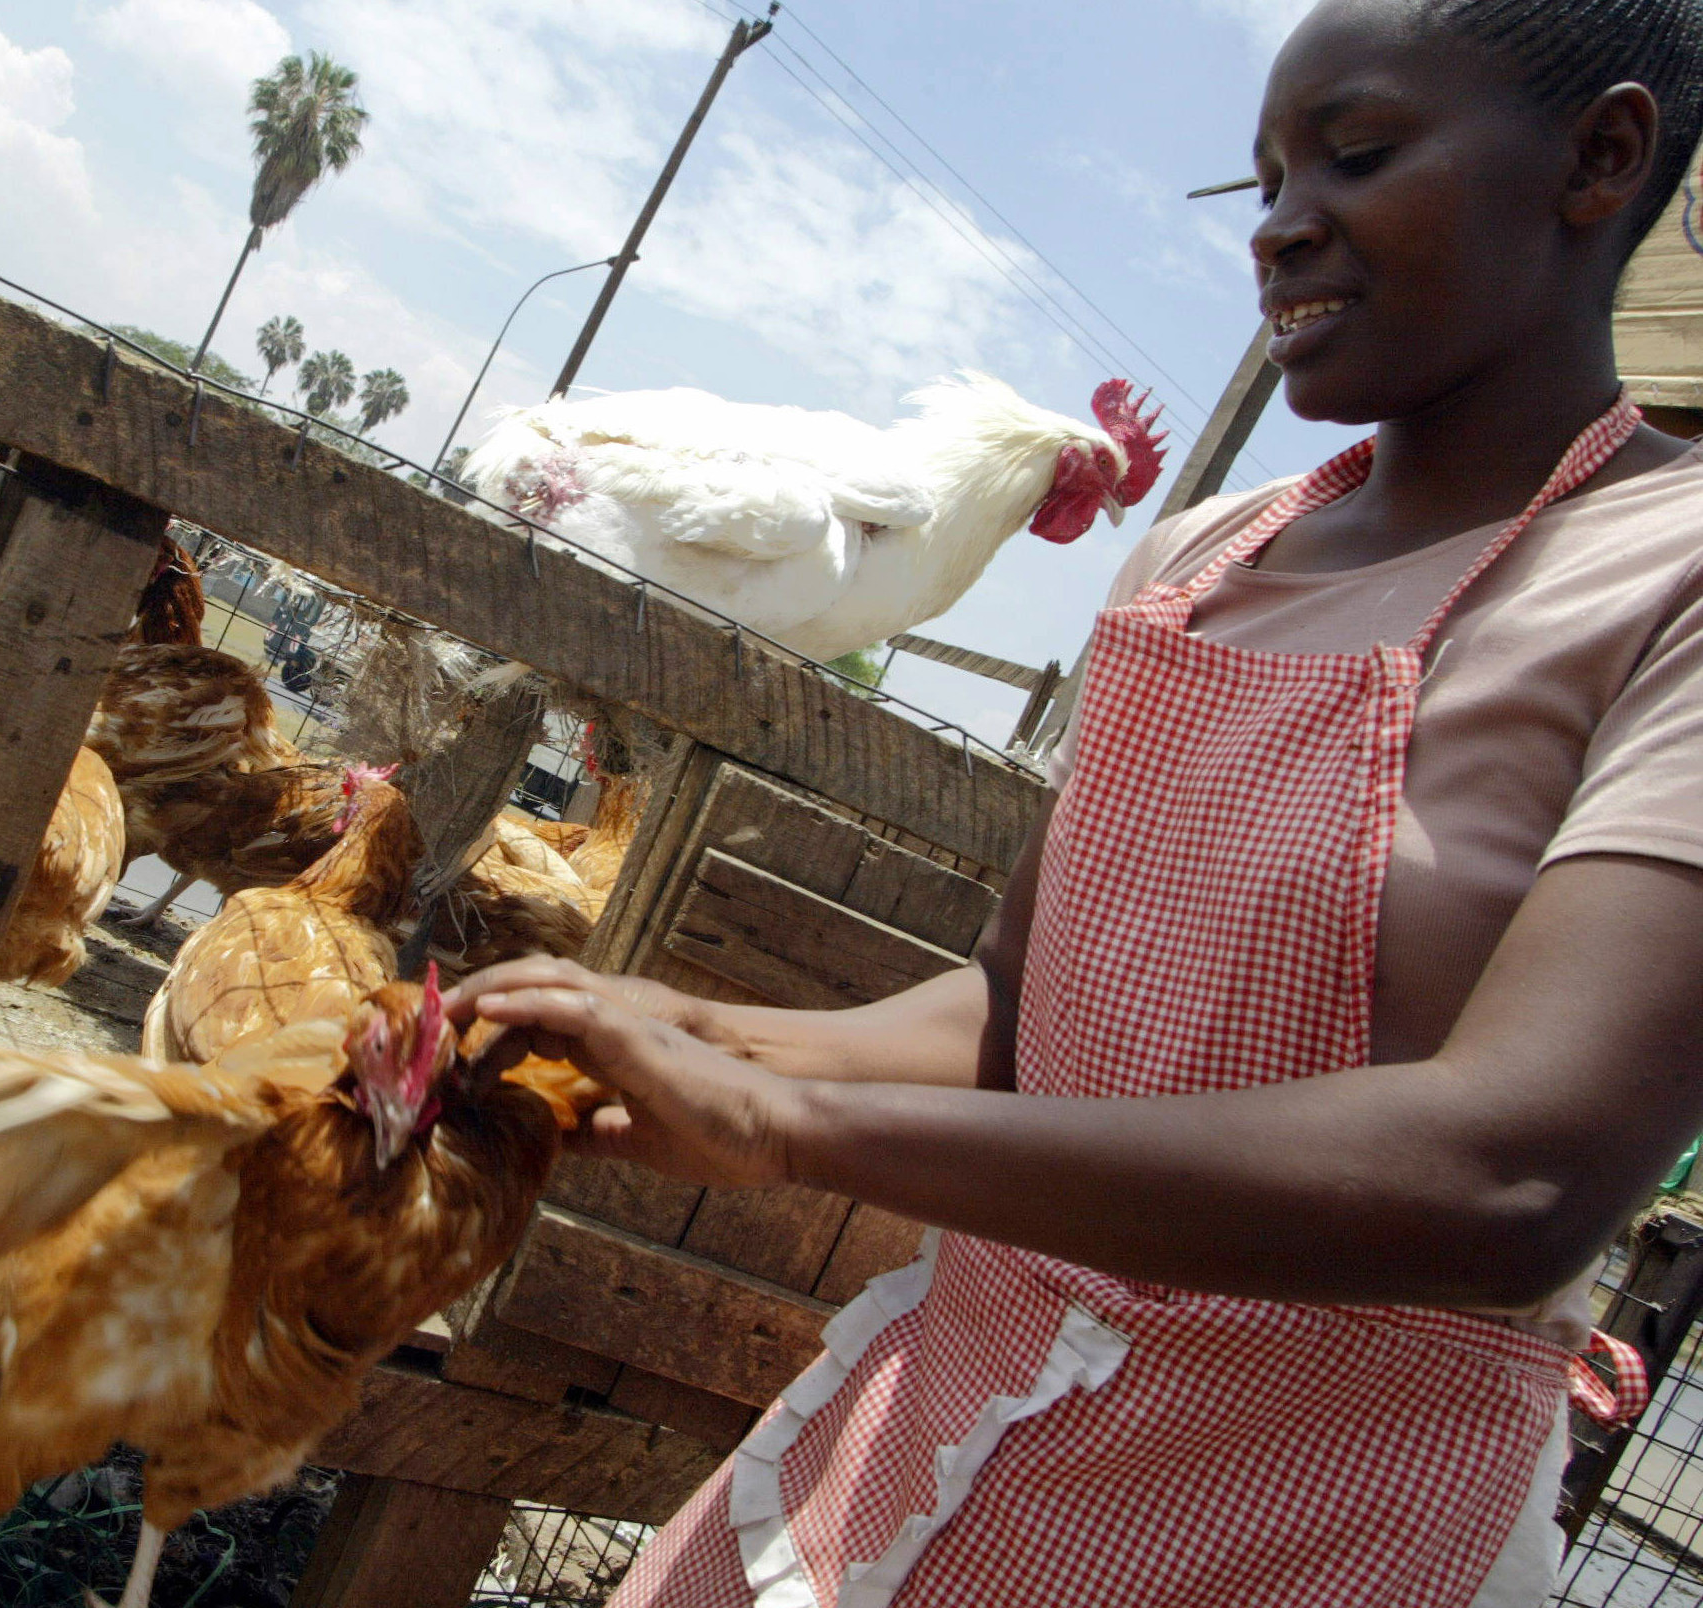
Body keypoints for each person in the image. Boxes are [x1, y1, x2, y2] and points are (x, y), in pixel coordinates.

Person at [448, 2, 1703, 1603]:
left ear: (1600, 157)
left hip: (1300, 1536)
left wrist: (786, 1120)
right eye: (1261, 182)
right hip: (934, 1444)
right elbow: (1016, 1012)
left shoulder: (1664, 582)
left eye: (1358, 155)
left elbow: (1514, 1176)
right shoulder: (1198, 563)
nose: (1281, 226)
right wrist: (678, 1030)